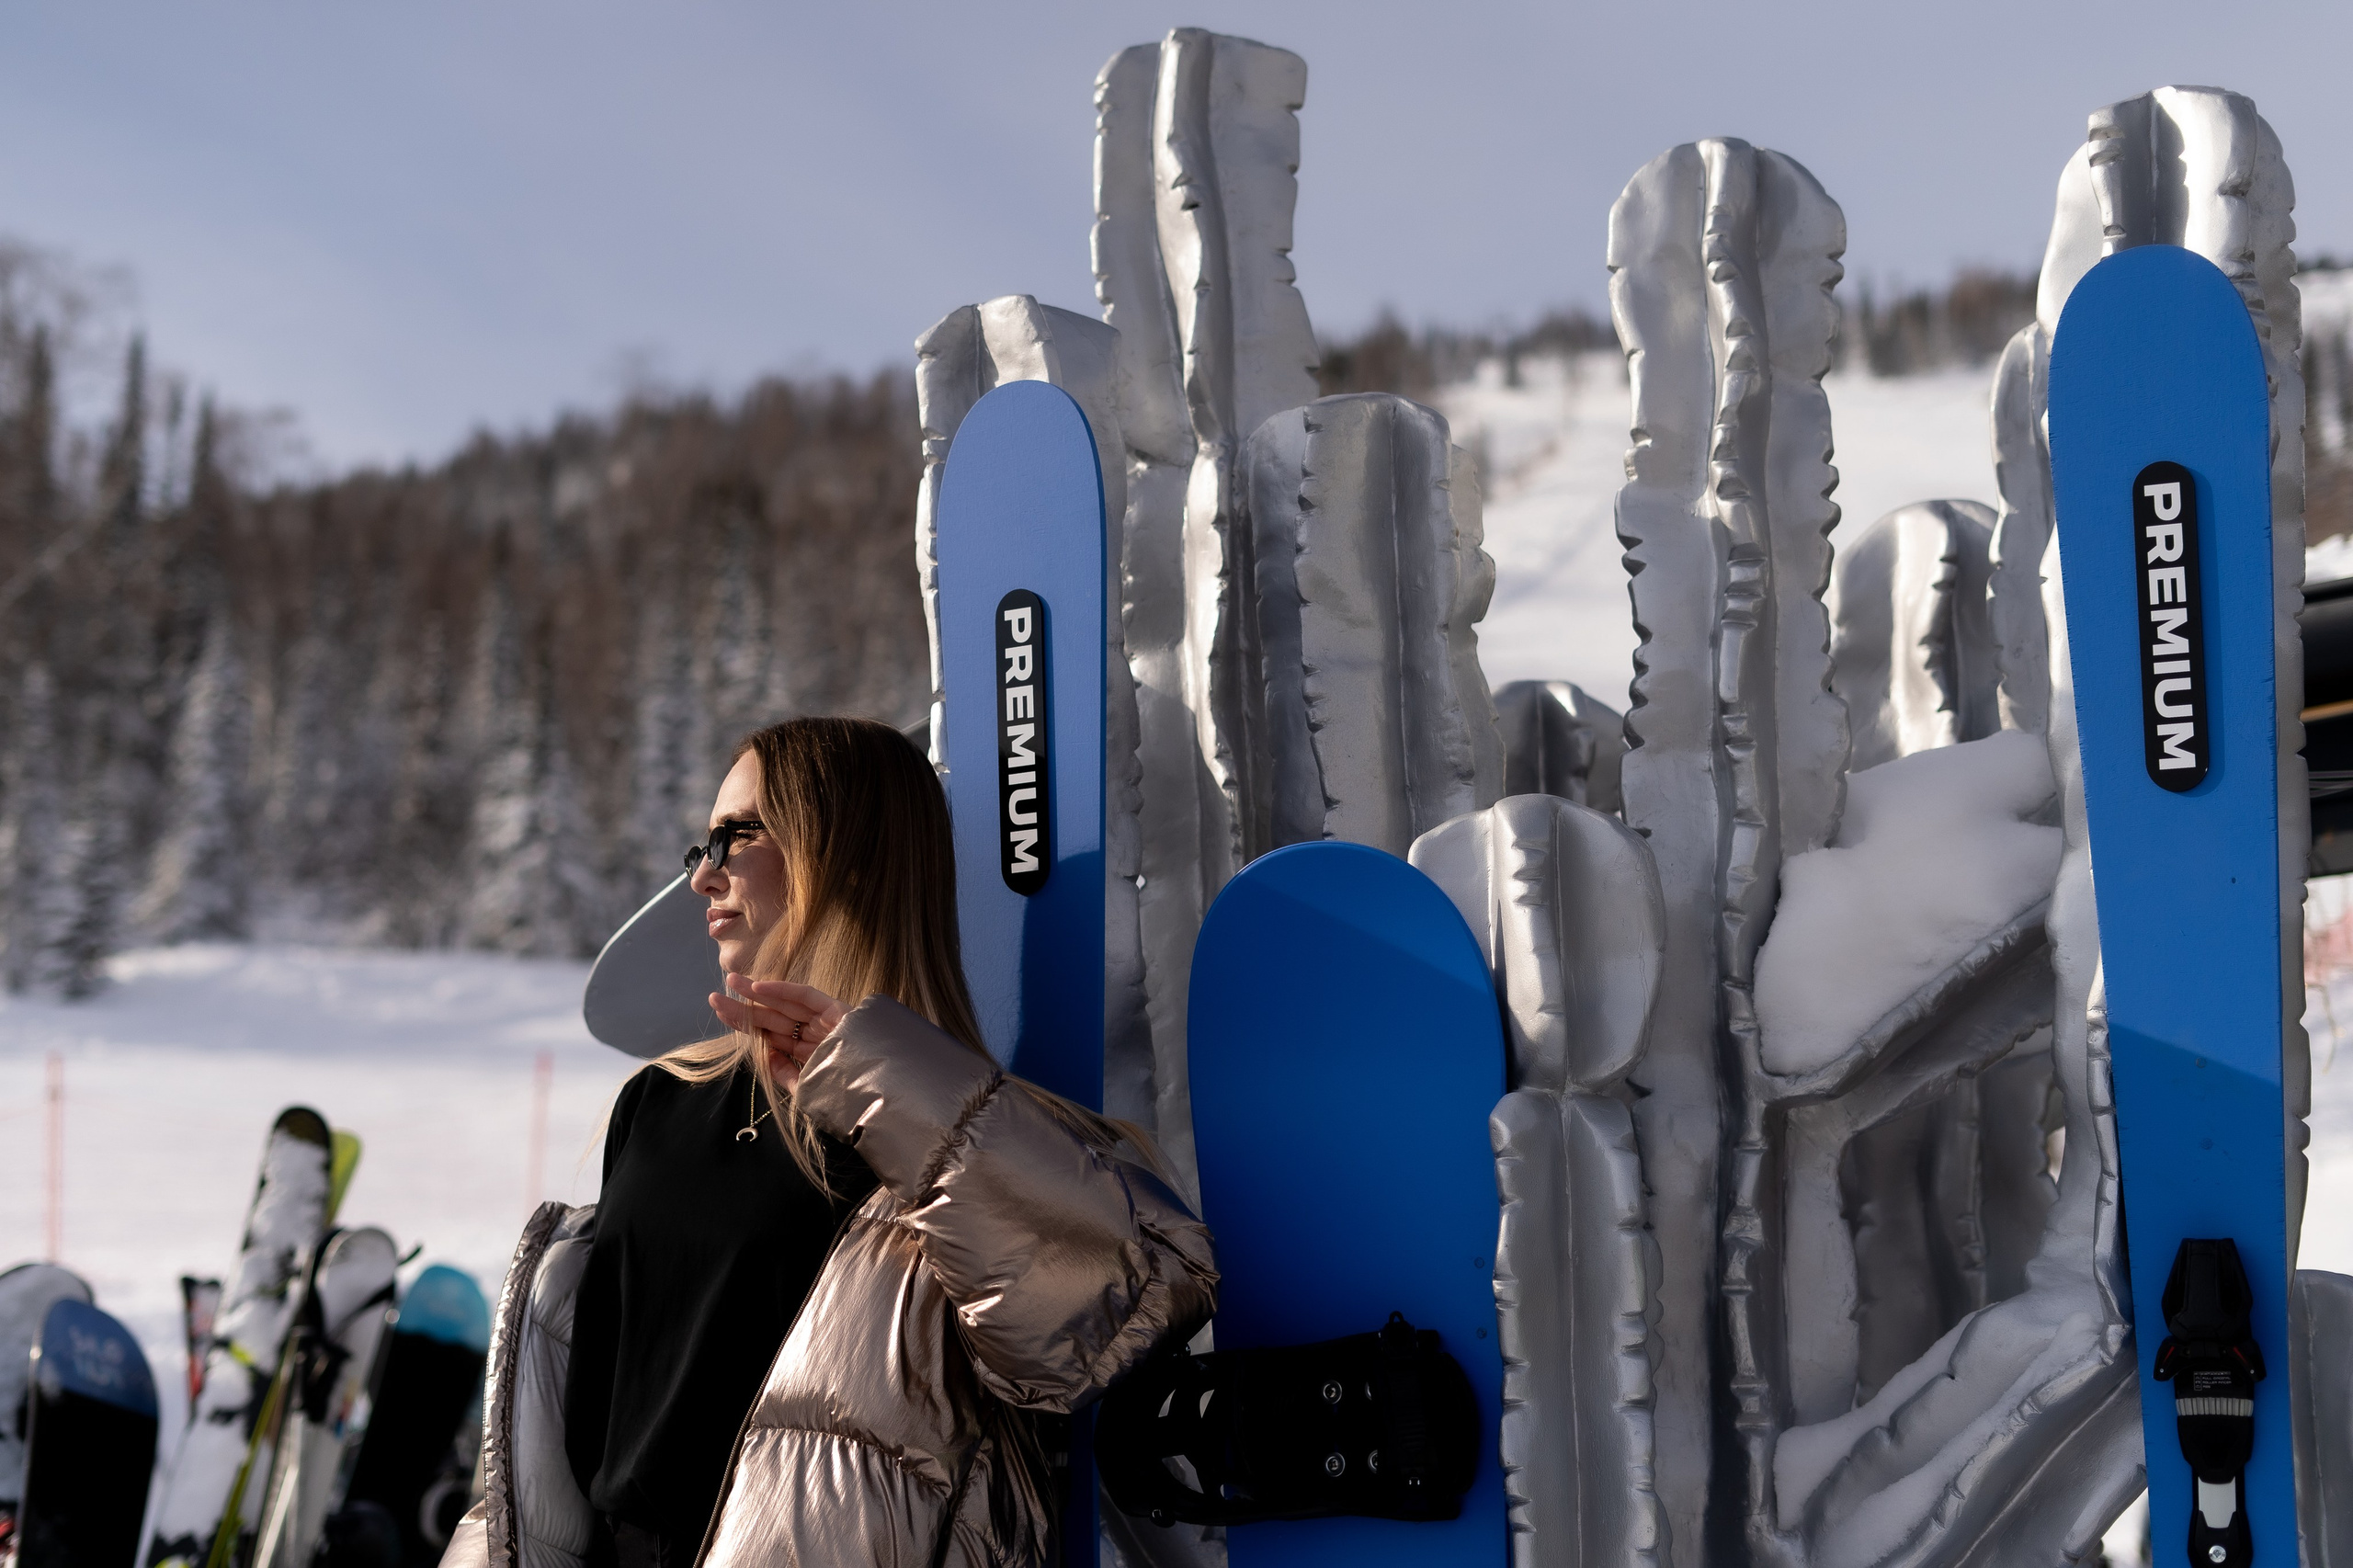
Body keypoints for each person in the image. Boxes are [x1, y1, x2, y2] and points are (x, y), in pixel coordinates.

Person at [447, 717, 1216, 1568]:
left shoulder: (967, 1141)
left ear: (849, 848)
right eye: (700, 846)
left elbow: (1113, 1309)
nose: (703, 877)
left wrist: (884, 1085)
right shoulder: (659, 1103)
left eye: (737, 835)